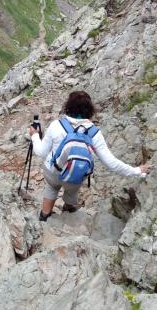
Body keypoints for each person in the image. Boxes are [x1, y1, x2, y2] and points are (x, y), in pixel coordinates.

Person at [29, 91, 153, 221]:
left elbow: (41, 152)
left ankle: (44, 217)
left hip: (53, 172)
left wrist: (35, 135)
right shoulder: (94, 133)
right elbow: (111, 162)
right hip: (75, 176)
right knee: (73, 183)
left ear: (68, 107)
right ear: (90, 110)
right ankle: (69, 209)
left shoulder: (56, 125)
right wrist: (137, 171)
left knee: (52, 187)